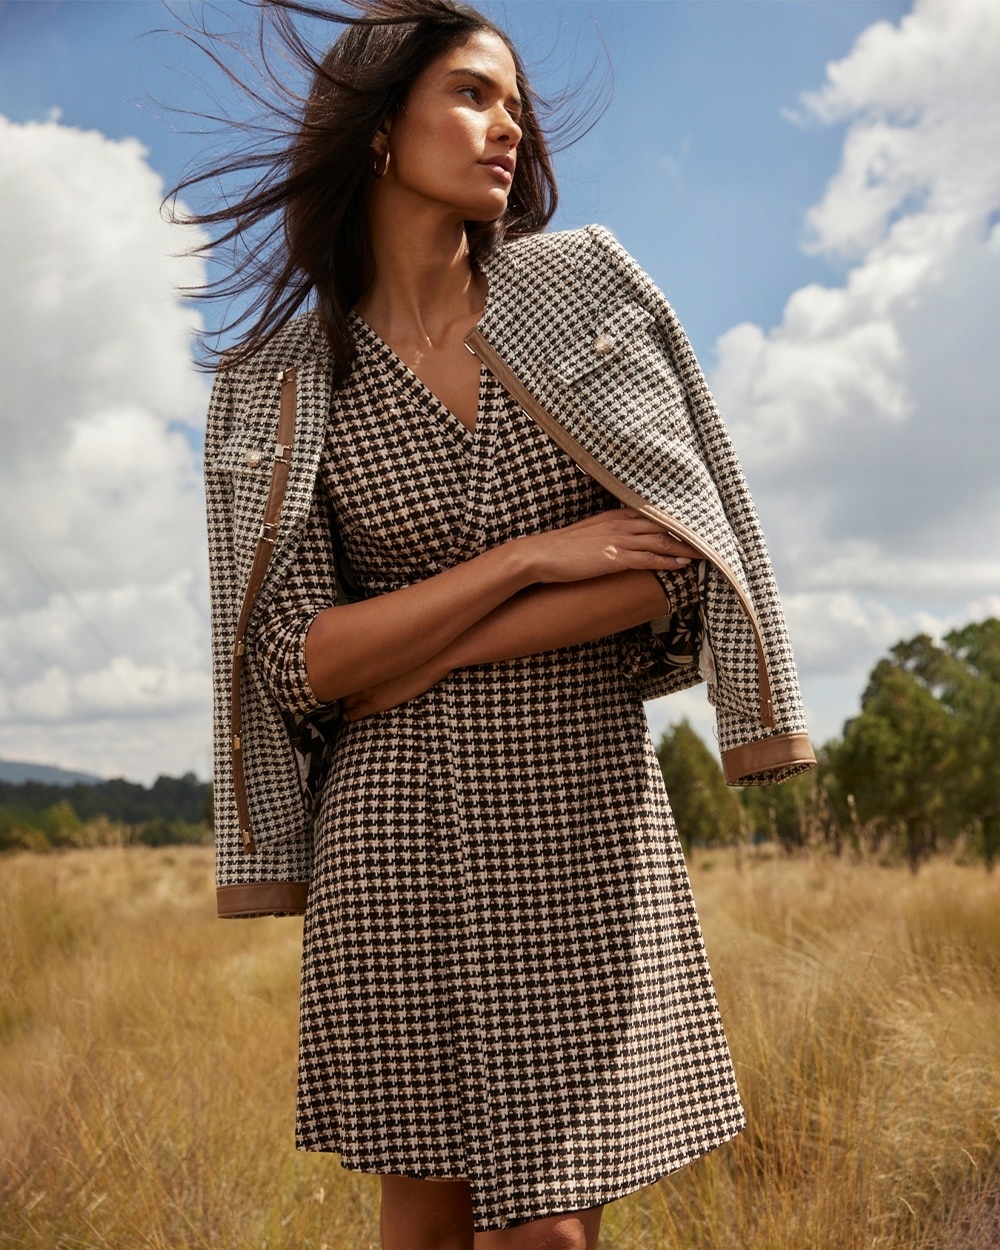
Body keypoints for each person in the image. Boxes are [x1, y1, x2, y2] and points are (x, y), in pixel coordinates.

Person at [185, 1, 816, 1245]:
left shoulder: (580, 292)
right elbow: (302, 658)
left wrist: (412, 651)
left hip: (578, 806)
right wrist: (527, 559)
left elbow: (671, 567)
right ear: (379, 127)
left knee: (550, 1231)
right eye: (473, 94)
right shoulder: (275, 381)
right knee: (425, 1216)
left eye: (515, 106)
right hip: (390, 831)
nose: (507, 127)